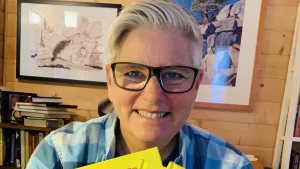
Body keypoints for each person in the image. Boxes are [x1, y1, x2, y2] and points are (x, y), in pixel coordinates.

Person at [26, 0, 253, 168]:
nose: (153, 96)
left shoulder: (231, 165)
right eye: (134, 72)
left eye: (174, 75)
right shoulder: (58, 155)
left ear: (196, 85)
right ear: (110, 81)